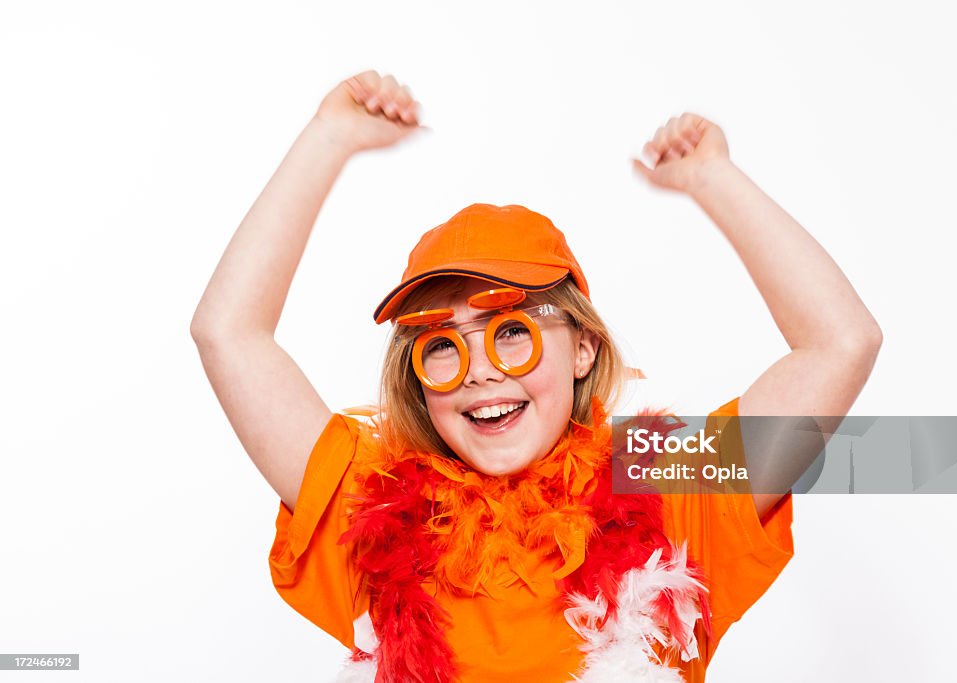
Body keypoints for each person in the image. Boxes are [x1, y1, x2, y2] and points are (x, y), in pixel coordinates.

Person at [190, 71, 882, 683]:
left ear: (582, 348)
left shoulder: (670, 491)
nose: (481, 371)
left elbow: (839, 344)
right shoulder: (373, 518)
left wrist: (712, 178)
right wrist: (328, 139)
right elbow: (228, 334)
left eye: (512, 332)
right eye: (440, 346)